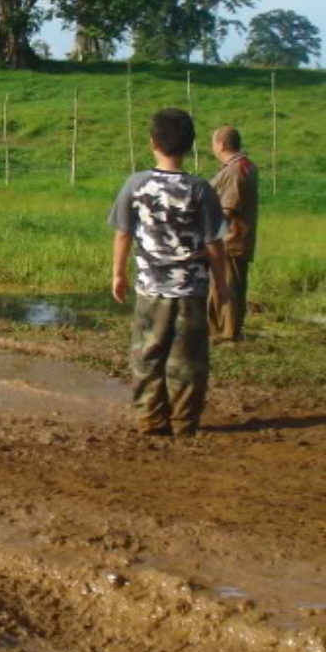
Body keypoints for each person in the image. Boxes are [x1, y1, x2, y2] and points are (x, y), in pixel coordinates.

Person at [108, 108, 227, 436]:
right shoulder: (200, 189)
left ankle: (150, 418)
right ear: (190, 145)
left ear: (152, 143)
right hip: (191, 290)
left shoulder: (137, 184)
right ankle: (184, 421)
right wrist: (223, 284)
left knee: (147, 352)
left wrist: (118, 273)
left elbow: (123, 233)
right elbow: (215, 243)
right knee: (188, 359)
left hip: (151, 289)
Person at [207, 125, 259, 344]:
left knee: (227, 287)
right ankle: (217, 330)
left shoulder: (235, 170)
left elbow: (229, 207)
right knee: (224, 286)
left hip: (230, 240)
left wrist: (212, 237)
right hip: (234, 238)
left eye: (213, 142)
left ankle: (229, 334)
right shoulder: (244, 166)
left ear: (221, 144)